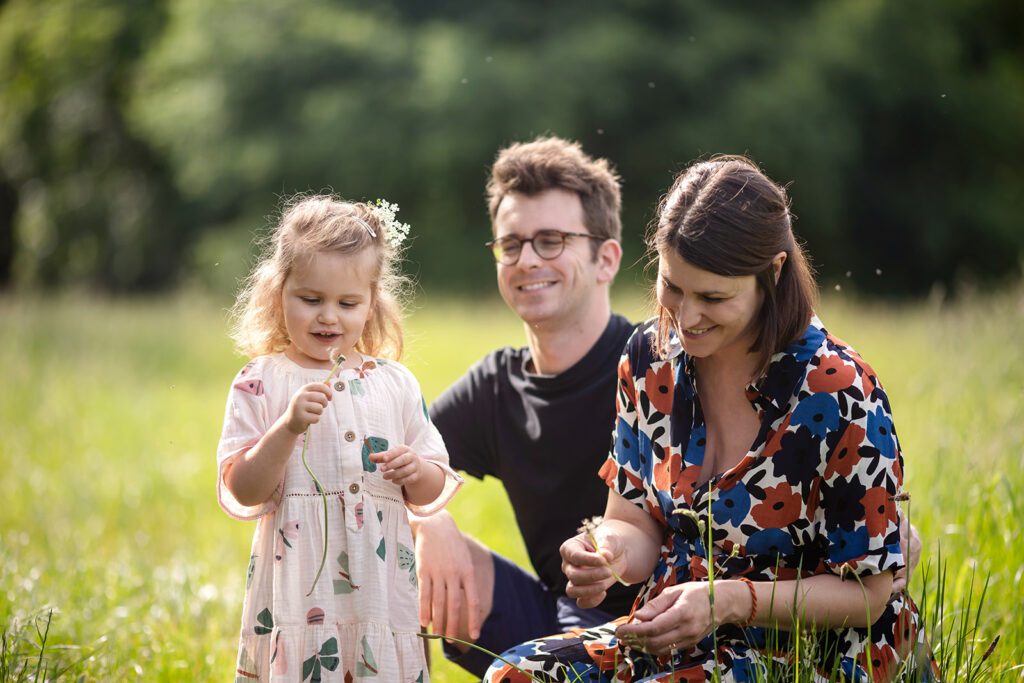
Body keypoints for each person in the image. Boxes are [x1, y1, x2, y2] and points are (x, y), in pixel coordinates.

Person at [485, 156, 938, 681]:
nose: (687, 317)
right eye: (672, 286)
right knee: (512, 675)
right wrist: (605, 552)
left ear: (772, 274)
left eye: (713, 297)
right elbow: (634, 521)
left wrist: (727, 601)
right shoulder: (650, 360)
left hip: (809, 650)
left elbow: (869, 596)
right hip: (677, 634)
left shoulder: (836, 389)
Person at [413, 137, 643, 676]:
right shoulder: (497, 385)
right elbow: (388, 457)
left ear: (605, 258)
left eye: (551, 240)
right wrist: (429, 521)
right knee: (397, 546)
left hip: (667, 630)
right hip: (555, 619)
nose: (527, 260)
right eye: (511, 244)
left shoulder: (654, 367)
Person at [216, 196, 462, 681]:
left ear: (372, 304)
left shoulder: (394, 383)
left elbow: (433, 487)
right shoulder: (260, 380)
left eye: (347, 303)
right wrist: (285, 429)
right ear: (277, 293)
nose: (328, 317)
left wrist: (417, 470)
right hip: (298, 591)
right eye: (310, 299)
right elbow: (243, 488)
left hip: (378, 589)